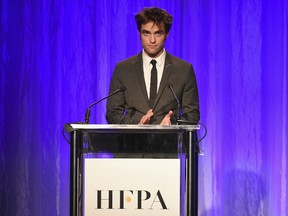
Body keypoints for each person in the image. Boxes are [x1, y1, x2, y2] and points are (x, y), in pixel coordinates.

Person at [106, 7, 200, 125]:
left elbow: (192, 115)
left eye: (158, 33)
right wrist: (137, 125)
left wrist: (173, 125)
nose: (152, 40)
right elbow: (113, 113)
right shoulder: (123, 69)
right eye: (146, 33)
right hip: (133, 141)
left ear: (166, 34)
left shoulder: (184, 70)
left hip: (170, 141)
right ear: (139, 33)